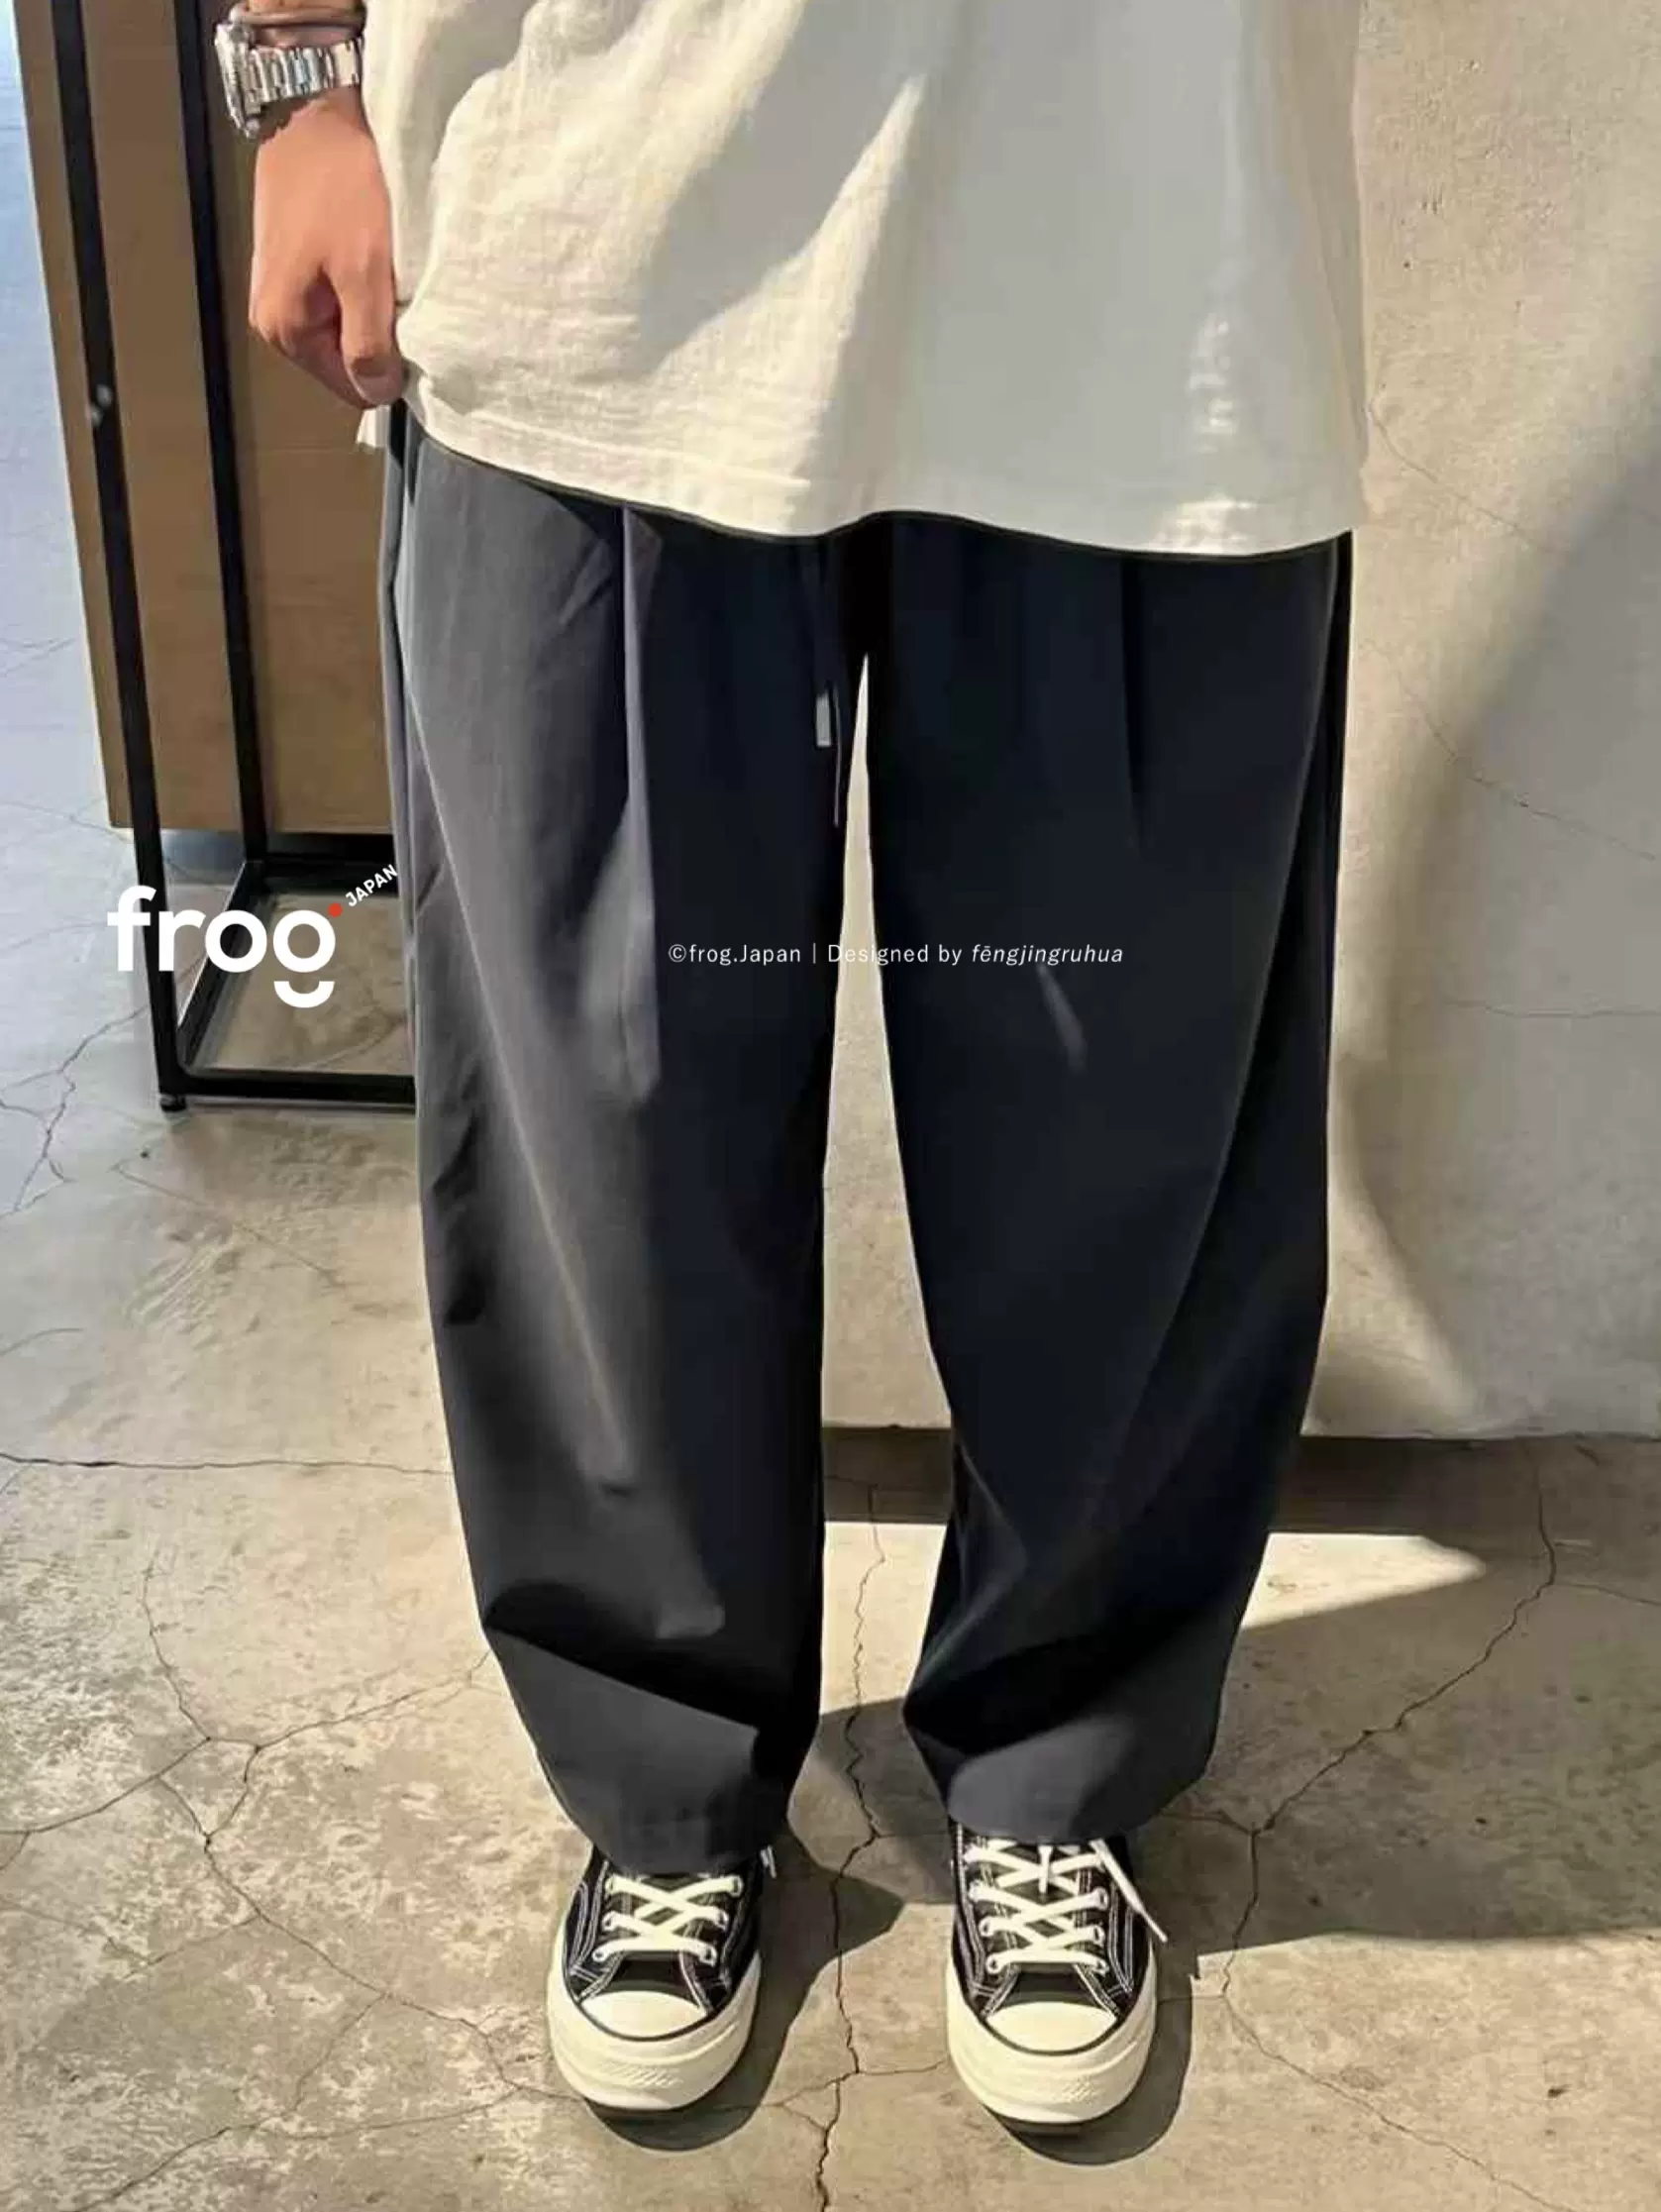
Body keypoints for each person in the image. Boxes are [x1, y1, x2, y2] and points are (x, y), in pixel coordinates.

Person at [233, 0, 1363, 2128]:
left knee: (1127, 1116)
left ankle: (1059, 1757)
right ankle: (661, 1777)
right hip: (592, 224)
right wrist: (293, 69)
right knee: (606, 1123)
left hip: (1155, 230)